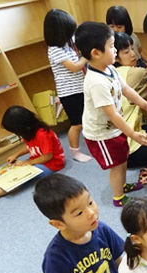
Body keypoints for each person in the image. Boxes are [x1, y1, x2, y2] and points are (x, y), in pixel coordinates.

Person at [34, 174, 144, 273]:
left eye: (90, 202)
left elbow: (118, 260)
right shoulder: (55, 256)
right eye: (79, 213)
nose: (92, 213)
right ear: (58, 224)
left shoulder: (101, 229)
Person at [74, 21, 147, 207]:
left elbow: (126, 89)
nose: (115, 50)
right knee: (117, 165)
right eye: (111, 46)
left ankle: (123, 186)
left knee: (123, 158)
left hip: (114, 129)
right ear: (95, 53)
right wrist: (132, 134)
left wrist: (146, 105)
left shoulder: (109, 69)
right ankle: (118, 197)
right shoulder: (96, 82)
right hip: (101, 134)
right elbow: (112, 115)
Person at [0, 106, 65, 204]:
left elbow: (48, 156)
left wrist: (29, 162)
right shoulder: (30, 132)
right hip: (39, 160)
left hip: (52, 164)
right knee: (13, 169)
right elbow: (30, 146)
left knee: (20, 177)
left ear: (24, 127)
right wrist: (16, 155)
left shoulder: (42, 134)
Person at [43, 9, 91, 163]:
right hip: (69, 93)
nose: (71, 34)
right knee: (77, 124)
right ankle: (75, 152)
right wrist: (87, 56)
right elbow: (75, 67)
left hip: (81, 88)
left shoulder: (68, 42)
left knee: (87, 119)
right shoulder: (55, 50)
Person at [113, 31, 147, 169]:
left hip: (115, 145)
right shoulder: (135, 73)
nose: (133, 54)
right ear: (115, 56)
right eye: (126, 52)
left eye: (132, 49)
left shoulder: (111, 73)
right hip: (128, 149)